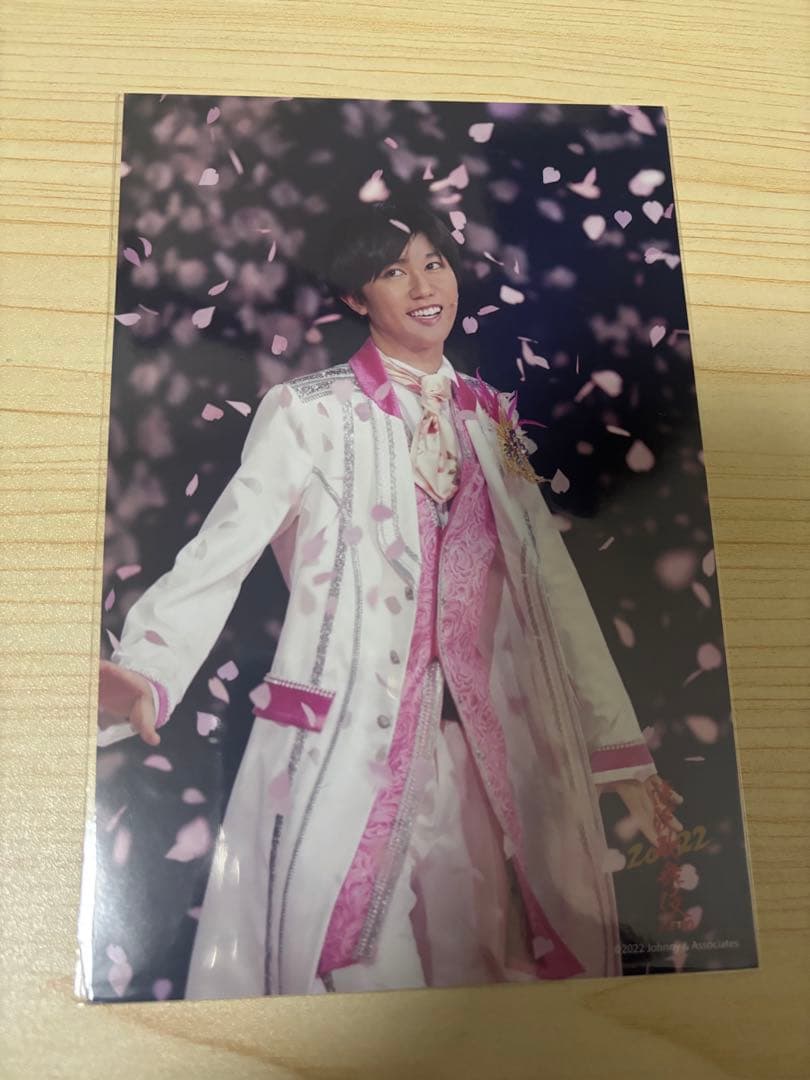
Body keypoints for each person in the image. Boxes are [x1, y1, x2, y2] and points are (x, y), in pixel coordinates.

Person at [98, 199, 683, 999]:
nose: (422, 286)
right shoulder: (309, 412)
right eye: (393, 271)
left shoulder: (491, 418)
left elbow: (550, 584)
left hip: (480, 763)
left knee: (478, 989)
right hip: (343, 751)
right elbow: (220, 552)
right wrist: (147, 666)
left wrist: (613, 744)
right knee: (351, 988)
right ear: (355, 297)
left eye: (433, 263)